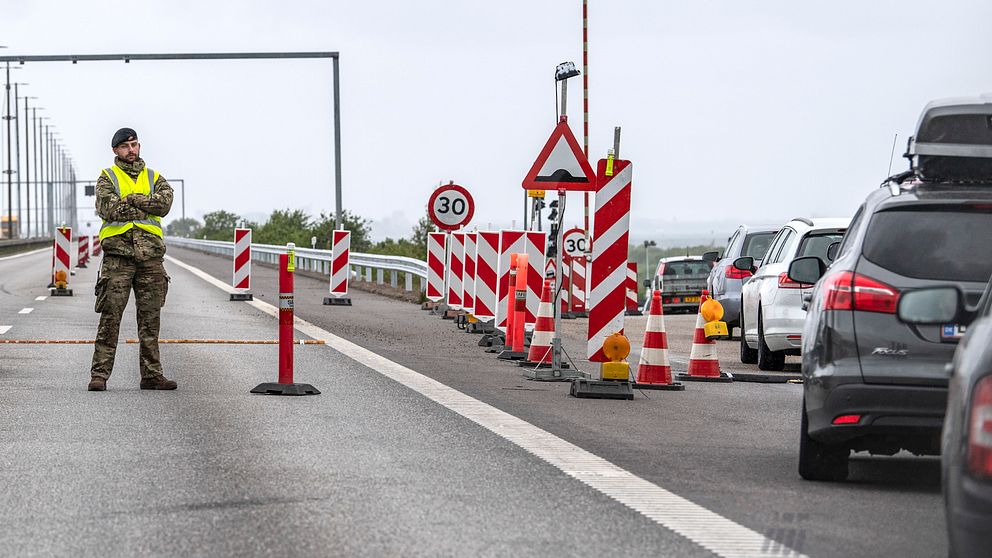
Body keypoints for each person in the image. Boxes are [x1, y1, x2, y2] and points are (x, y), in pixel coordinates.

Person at [88, 128, 176, 391]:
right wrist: (145, 203)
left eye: (135, 145)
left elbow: (165, 204)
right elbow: (109, 208)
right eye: (125, 146)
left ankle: (151, 375)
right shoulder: (107, 178)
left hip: (150, 258)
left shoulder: (155, 177)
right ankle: (99, 375)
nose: (131, 150)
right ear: (115, 150)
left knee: (150, 320)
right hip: (119, 257)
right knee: (110, 317)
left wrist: (132, 200)